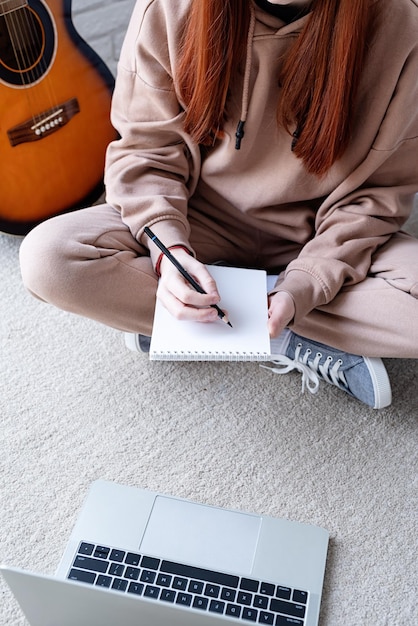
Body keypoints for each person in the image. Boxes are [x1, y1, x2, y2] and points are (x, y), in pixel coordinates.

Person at [19, 0, 418, 409]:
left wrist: (304, 286)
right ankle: (281, 333)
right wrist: (169, 254)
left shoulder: (399, 23)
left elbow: (379, 193)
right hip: (199, 221)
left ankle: (199, 321)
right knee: (49, 259)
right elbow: (146, 152)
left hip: (320, 232)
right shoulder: (171, 7)